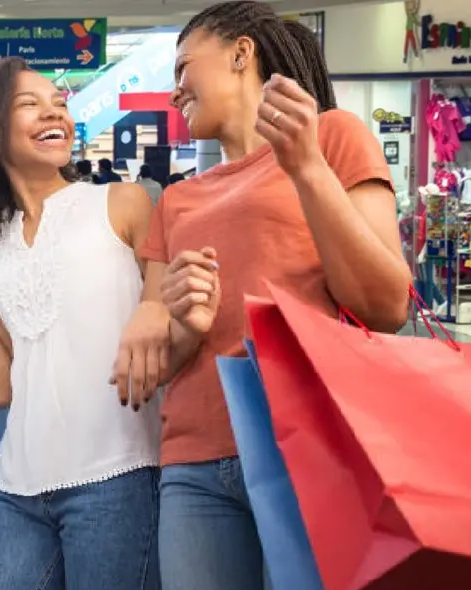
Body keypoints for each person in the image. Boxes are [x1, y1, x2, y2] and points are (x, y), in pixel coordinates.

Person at [128, 4, 410, 589]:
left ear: (240, 54)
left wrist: (305, 167)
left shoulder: (333, 136)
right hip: (193, 463)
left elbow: (387, 307)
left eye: (184, 66)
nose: (175, 89)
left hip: (309, 446)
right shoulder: (176, 203)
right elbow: (162, 363)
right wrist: (182, 320)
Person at [0, 57, 161, 589]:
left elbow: (171, 320)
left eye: (58, 102)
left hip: (117, 476)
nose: (54, 112)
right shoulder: (0, 254)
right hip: (17, 486)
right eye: (29, 104)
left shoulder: (122, 204)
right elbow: (0, 386)